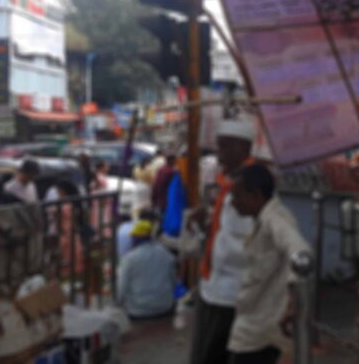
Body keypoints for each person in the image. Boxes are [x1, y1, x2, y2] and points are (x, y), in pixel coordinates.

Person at [190, 118, 258, 364]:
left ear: (245, 148)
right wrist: (206, 227)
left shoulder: (251, 185)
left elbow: (251, 242)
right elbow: (224, 232)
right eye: (219, 146)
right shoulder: (226, 183)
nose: (220, 154)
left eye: (227, 147)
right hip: (214, 286)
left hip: (234, 291)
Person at [227, 164, 310, 364]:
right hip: (253, 321)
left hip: (261, 328)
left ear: (256, 195)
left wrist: (293, 299)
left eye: (237, 196)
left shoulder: (275, 219)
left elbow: (300, 250)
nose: (233, 202)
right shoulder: (262, 219)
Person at [116, 218, 177, 320]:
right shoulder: (165, 254)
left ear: (136, 238)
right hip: (165, 307)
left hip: (138, 310)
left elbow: (121, 289)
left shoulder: (129, 259)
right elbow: (174, 282)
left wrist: (117, 305)